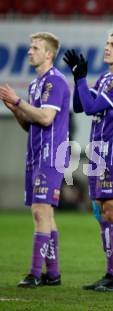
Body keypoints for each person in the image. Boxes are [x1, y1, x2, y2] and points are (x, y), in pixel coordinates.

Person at [63, 28, 113, 292]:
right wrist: (78, 78)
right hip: (98, 153)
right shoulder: (107, 77)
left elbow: (94, 107)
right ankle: (110, 273)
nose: (107, 48)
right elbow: (80, 106)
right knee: (101, 212)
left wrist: (84, 81)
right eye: (107, 43)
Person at [0, 32, 70, 288]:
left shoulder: (55, 82)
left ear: (48, 54)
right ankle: (53, 273)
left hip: (52, 153)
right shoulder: (35, 85)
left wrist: (19, 101)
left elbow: (46, 118)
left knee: (41, 211)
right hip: (35, 152)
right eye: (30, 47)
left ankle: (34, 272)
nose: (29, 51)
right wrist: (16, 110)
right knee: (42, 213)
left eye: (35, 48)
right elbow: (29, 124)